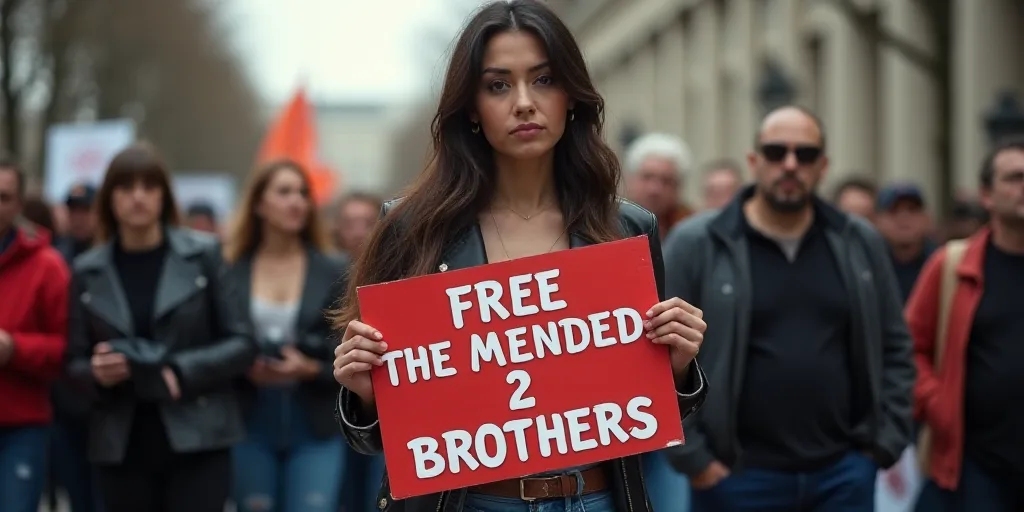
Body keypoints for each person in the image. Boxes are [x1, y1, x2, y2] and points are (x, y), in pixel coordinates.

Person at [330, 2, 708, 511]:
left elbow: (649, 413)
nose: (525, 103)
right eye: (498, 85)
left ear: (571, 96)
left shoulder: (628, 228)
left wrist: (679, 366)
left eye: (544, 80)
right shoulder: (412, 229)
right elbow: (377, 439)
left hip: (595, 500)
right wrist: (365, 391)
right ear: (470, 107)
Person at [662, 106, 915, 512]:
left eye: (806, 154)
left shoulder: (857, 241)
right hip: (736, 479)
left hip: (843, 475)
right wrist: (696, 460)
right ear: (754, 161)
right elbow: (657, 352)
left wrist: (883, 447)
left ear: (823, 166)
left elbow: (896, 347)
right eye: (777, 152)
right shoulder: (699, 243)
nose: (791, 165)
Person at [64, 142, 255, 512]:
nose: (138, 197)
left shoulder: (203, 256)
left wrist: (180, 370)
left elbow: (243, 342)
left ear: (164, 196)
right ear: (109, 198)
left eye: (149, 187)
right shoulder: (87, 271)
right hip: (121, 442)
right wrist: (96, 372)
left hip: (198, 436)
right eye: (125, 187)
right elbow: (71, 361)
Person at [222, 159, 350, 512]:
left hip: (315, 420)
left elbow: (347, 346)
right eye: (284, 192)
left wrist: (309, 368)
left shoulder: (334, 269)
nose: (296, 201)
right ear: (259, 204)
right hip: (250, 418)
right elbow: (215, 342)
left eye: (302, 193)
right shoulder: (229, 269)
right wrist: (243, 365)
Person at [908, 137, 1024, 511]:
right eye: (1015, 177)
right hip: (976, 468)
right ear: (986, 195)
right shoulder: (953, 266)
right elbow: (908, 348)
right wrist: (934, 401)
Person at [0, 157, 70, 512]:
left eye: (3, 197)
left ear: (19, 203)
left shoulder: (47, 266)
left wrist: (15, 349)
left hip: (20, 425)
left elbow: (68, 350)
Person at [623, 132, 696, 238]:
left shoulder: (692, 230)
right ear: (631, 179)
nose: (654, 189)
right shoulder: (608, 225)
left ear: (678, 187)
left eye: (666, 181)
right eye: (647, 177)